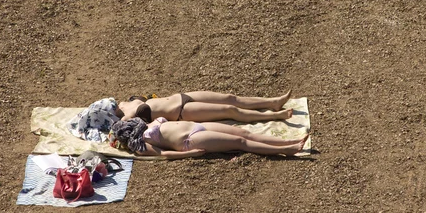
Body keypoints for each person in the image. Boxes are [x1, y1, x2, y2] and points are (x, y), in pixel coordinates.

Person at [109, 117, 309, 159]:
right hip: (190, 140)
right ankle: (286, 150)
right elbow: (164, 154)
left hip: (195, 125)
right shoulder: (140, 145)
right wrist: (190, 155)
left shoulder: (145, 124)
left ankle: (288, 142)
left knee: (242, 132)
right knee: (241, 143)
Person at [114, 90, 293, 124]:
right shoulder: (124, 119)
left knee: (229, 98)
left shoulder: (125, 102)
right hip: (181, 113)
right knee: (230, 111)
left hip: (181, 97)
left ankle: (272, 102)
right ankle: (273, 116)